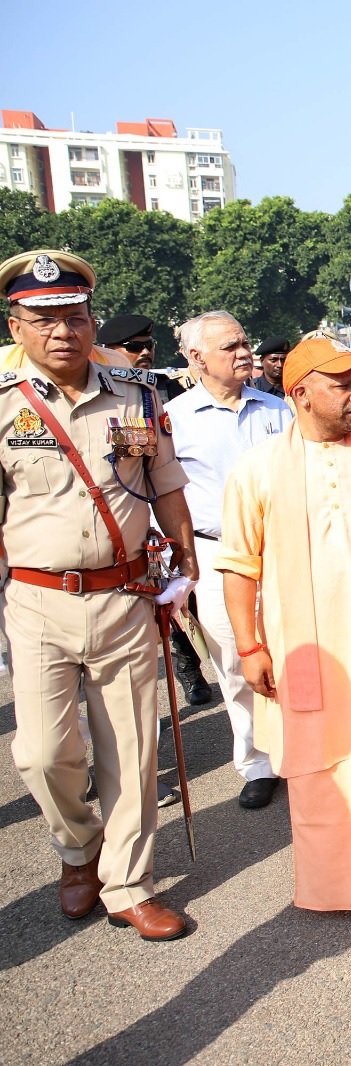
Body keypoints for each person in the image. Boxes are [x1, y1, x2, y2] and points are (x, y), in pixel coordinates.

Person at [0, 248, 198, 940]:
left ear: (91, 320)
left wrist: (186, 560)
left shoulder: (135, 396)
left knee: (133, 749)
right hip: (36, 601)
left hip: (126, 596)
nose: (62, 331)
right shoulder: (4, 406)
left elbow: (165, 483)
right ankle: (78, 849)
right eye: (43, 318)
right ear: (16, 326)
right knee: (45, 753)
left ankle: (128, 883)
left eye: (74, 315)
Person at [217, 334, 351, 939]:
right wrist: (250, 645)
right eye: (342, 383)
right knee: (316, 767)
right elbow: (239, 566)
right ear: (301, 392)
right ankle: (331, 885)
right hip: (300, 650)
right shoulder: (257, 469)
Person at [166, 310, 294, 810]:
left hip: (281, 549)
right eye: (231, 347)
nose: (245, 353)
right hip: (217, 554)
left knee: (290, 652)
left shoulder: (277, 411)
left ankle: (296, 749)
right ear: (197, 358)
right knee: (239, 663)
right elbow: (162, 494)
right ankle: (258, 762)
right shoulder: (174, 420)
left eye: (245, 343)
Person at [95, 312, 211, 712]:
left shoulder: (157, 390)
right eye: (133, 347)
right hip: (128, 517)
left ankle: (192, 664)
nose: (144, 353)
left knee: (183, 598)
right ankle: (188, 668)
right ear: (107, 349)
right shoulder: (116, 397)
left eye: (148, 345)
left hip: (169, 505)